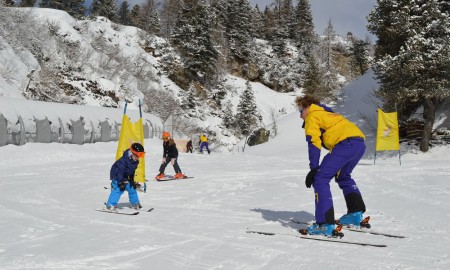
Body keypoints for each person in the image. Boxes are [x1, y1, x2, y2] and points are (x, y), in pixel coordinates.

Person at [295, 94, 369, 237]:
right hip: (359, 143)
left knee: (320, 178)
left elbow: (314, 142)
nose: (300, 116)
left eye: (300, 111)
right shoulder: (328, 113)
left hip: (345, 145)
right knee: (343, 176)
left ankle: (324, 224)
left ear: (308, 107)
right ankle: (355, 214)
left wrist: (314, 169)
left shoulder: (313, 116)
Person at [105, 142, 145, 212]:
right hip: (117, 175)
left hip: (125, 175)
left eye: (141, 155)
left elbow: (132, 171)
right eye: (138, 155)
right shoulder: (124, 160)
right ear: (133, 153)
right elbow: (120, 171)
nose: (139, 157)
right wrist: (120, 182)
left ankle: (135, 203)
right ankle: (110, 205)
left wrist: (132, 180)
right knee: (118, 189)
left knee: (132, 188)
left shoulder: (136, 161)